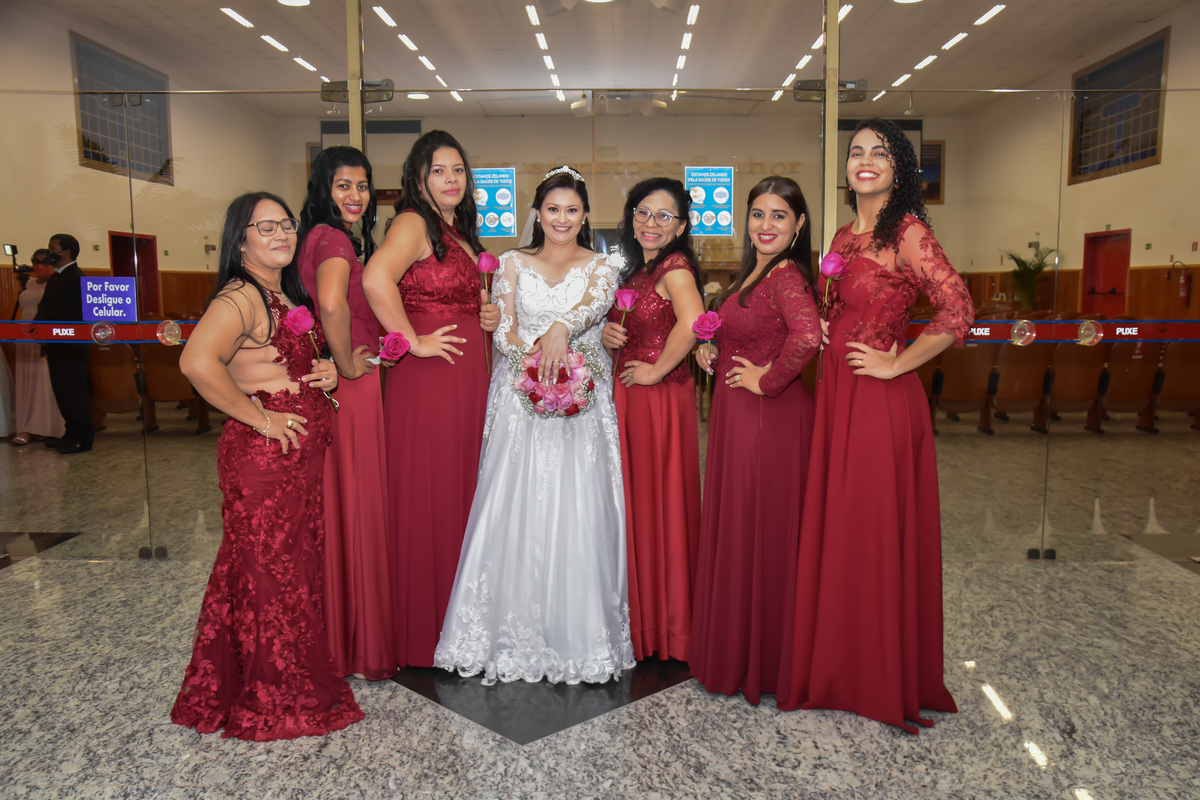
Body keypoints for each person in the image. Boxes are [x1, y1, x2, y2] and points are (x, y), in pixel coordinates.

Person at [776, 118, 972, 733]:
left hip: (880, 401)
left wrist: (896, 362)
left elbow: (957, 308)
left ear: (899, 167)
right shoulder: (844, 233)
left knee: (871, 529)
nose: (865, 160)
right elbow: (841, 305)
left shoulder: (908, 231)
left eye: (879, 152)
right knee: (845, 528)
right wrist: (825, 324)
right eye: (856, 151)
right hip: (839, 397)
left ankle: (876, 674)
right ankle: (842, 665)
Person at [171, 192, 363, 740]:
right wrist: (260, 418)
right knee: (269, 574)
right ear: (240, 241)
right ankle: (274, 697)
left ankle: (253, 684)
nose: (281, 234)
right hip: (265, 461)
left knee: (273, 571)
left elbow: (280, 361)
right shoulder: (241, 296)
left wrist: (325, 372)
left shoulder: (279, 292)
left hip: (293, 463)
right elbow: (195, 361)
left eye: (286, 224)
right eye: (266, 227)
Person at [433, 166, 635, 685]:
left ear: (584, 215)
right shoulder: (510, 263)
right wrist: (534, 368)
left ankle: (578, 635)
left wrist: (562, 332)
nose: (562, 219)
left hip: (584, 403)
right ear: (537, 214)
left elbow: (592, 308)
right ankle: (504, 631)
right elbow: (503, 329)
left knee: (578, 505)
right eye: (552, 209)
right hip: (520, 400)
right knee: (513, 503)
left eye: (572, 210)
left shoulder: (603, 266)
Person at [362, 130, 499, 668]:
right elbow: (376, 279)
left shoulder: (457, 231)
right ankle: (425, 629)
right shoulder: (413, 222)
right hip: (430, 379)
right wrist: (412, 341)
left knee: (461, 490)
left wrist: (487, 314)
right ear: (418, 177)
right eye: (439, 170)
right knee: (432, 490)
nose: (450, 179)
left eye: (458, 170)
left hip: (465, 377)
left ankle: (460, 622)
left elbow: (465, 298)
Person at [690, 177, 821, 705]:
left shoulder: (786, 275)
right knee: (744, 529)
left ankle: (761, 658)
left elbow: (807, 336)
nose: (766, 225)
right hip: (743, 415)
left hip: (768, 418)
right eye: (759, 214)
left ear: (799, 225)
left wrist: (767, 381)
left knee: (758, 532)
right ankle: (741, 649)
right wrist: (710, 349)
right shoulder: (757, 271)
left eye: (779, 215)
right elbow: (746, 330)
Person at [298, 146, 396, 681]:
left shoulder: (324, 236)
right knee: (356, 505)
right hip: (350, 386)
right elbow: (332, 304)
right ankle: (359, 641)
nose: (355, 195)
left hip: (345, 382)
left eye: (361, 185)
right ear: (324, 188)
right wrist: (347, 364)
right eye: (343, 185)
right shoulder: (333, 239)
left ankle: (343, 633)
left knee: (344, 504)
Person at [600, 178, 704, 662]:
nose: (651, 223)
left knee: (655, 503)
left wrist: (658, 368)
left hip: (656, 397)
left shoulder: (675, 267)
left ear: (681, 226)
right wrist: (610, 335)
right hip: (634, 394)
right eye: (643, 212)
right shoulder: (641, 268)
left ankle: (666, 626)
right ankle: (645, 619)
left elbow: (694, 321)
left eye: (664, 216)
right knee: (638, 503)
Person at [34, 234, 93, 454]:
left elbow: (71, 313)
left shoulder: (75, 277)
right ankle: (70, 433)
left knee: (74, 393)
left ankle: (82, 439)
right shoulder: (57, 276)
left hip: (70, 346)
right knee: (62, 393)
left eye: (52, 248)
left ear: (66, 252)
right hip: (56, 344)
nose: (48, 252)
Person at [10, 250, 66, 446]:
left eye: (44, 262)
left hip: (43, 336)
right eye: (35, 261)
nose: (38, 266)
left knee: (44, 381)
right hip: (24, 336)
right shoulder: (30, 283)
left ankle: (46, 427)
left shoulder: (58, 283)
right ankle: (25, 426)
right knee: (26, 381)